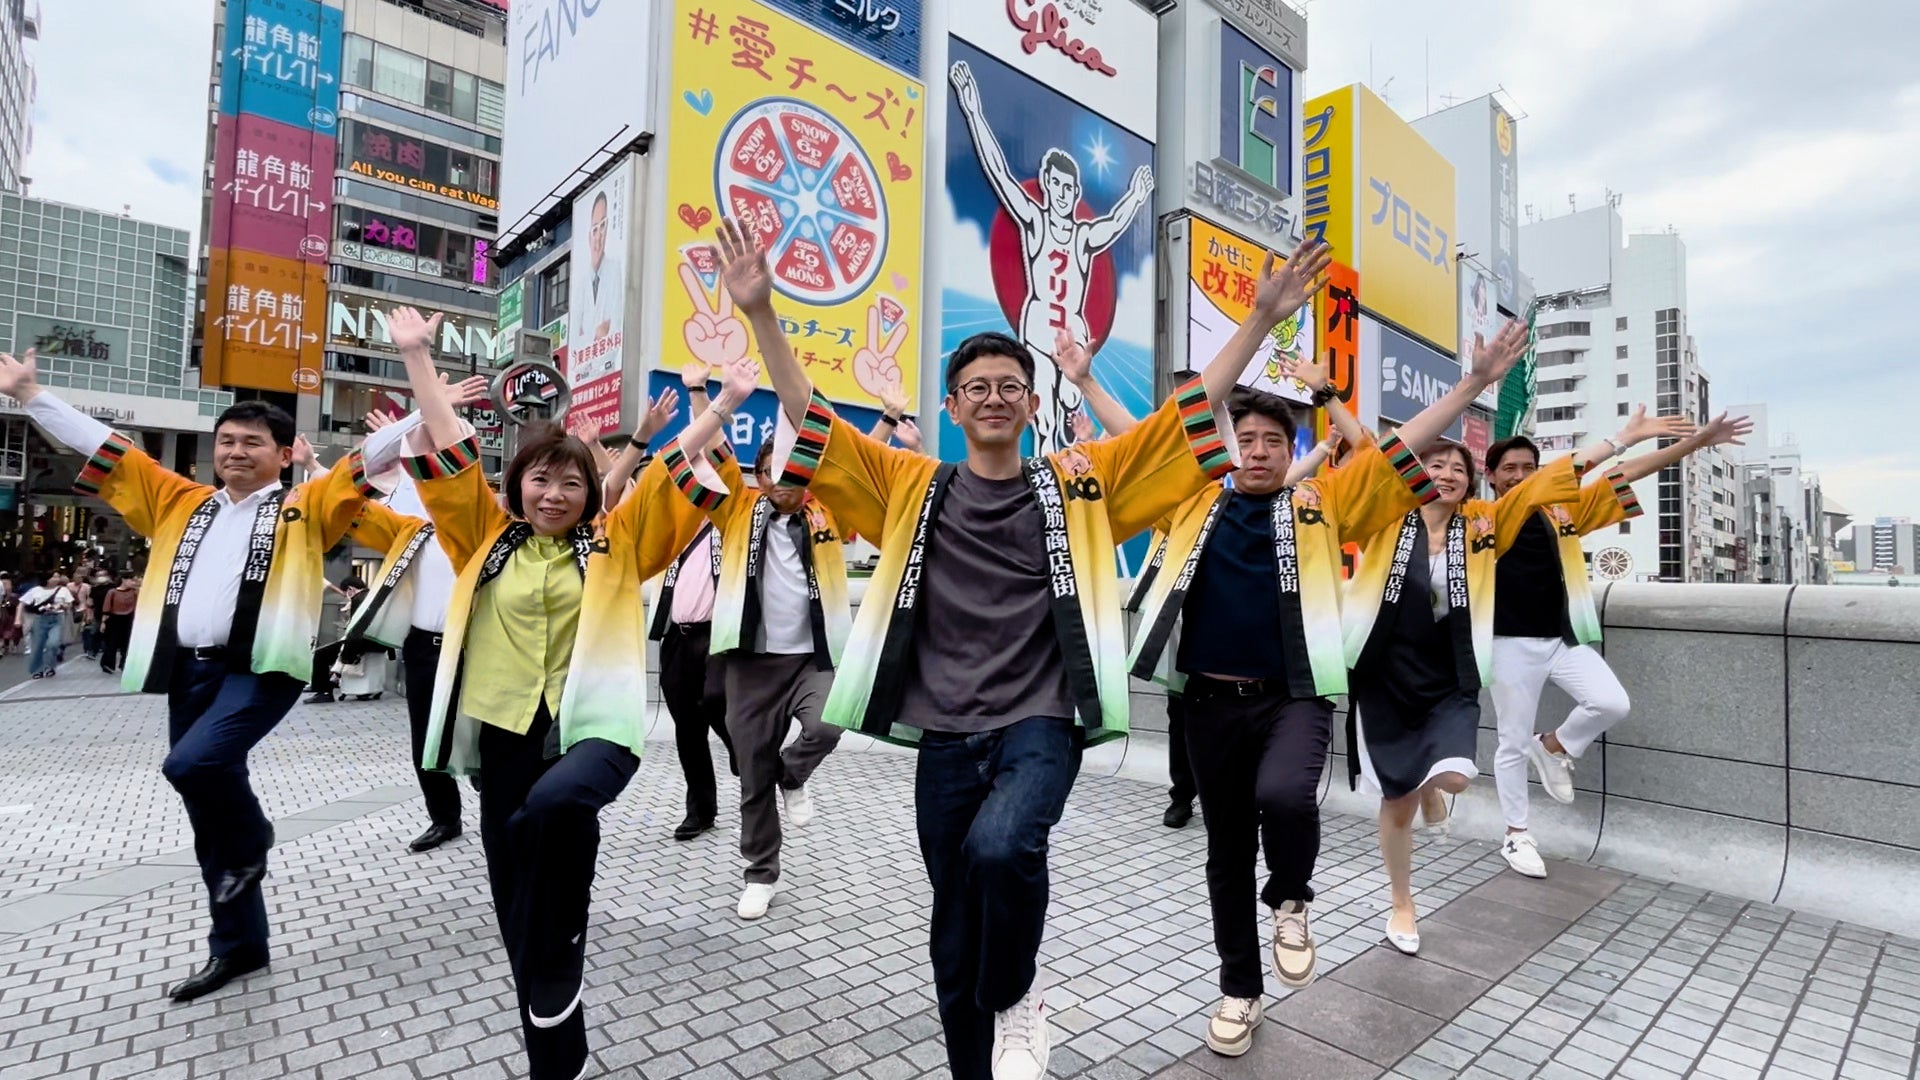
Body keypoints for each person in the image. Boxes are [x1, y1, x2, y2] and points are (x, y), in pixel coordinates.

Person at [712, 215, 1329, 1080]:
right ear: (953, 406)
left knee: (1003, 848)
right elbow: (809, 417)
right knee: (953, 921)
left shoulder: (1080, 481)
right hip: (943, 732)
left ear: (1033, 405)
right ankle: (981, 1050)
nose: (995, 396)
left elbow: (1177, 424)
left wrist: (1260, 320)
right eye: (977, 386)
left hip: (1041, 722)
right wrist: (763, 315)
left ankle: (1020, 997)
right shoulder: (908, 484)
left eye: (1010, 385)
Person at [1122, 334, 1516, 1058]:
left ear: (1292, 446)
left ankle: (1294, 895)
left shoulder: (1321, 501)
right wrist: (1086, 381)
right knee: (1226, 854)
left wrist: (1470, 387)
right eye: (1247, 439)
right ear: (1227, 446)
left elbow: (1398, 451)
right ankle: (1240, 991)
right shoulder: (1192, 502)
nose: (1261, 451)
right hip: (1208, 703)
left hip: (1294, 696)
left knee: (1288, 797)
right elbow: (1135, 447)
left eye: (1275, 439)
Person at [384, 305, 750, 1080]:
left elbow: (666, 479)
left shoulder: (617, 545)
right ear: (517, 485)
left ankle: (564, 942)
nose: (554, 493)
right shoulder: (480, 537)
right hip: (504, 733)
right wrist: (418, 359)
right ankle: (562, 1056)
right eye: (541, 478)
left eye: (572, 481)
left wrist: (717, 406)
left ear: (592, 494)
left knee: (555, 813)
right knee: (516, 901)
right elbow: (449, 450)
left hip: (593, 732)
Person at [0, 347, 380, 1003]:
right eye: (226, 440)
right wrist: (33, 397)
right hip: (190, 673)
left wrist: (419, 398)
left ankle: (256, 839)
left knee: (190, 768)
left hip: (261, 669)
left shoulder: (304, 507)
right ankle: (238, 946)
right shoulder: (182, 501)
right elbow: (113, 448)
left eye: (252, 442)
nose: (235, 451)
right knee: (209, 815)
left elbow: (362, 465)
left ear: (283, 453)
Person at [1342, 411, 1687, 954]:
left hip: (1463, 667)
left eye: (1457, 468)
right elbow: (1372, 453)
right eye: (1435, 465)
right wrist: (1329, 394)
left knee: (1459, 777)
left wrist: (1625, 439)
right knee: (1402, 797)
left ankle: (1471, 774)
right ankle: (1405, 901)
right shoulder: (1389, 518)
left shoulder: (1487, 522)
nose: (1447, 475)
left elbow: (1583, 479)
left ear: (1471, 481)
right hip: (1391, 667)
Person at [1486, 411, 1753, 878]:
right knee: (1510, 741)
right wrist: (1621, 437)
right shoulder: (1484, 518)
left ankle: (1552, 747)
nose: (1521, 476)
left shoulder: (1560, 512)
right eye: (1509, 468)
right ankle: (1516, 833)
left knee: (1611, 702)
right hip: (1507, 643)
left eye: (1529, 467)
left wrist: (1699, 442)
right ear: (1490, 477)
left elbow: (1626, 474)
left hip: (1562, 637)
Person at [679, 434, 850, 920]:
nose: (787, 481)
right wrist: (708, 398)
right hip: (751, 666)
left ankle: (791, 773)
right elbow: (712, 451)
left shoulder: (825, 511)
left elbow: (853, 468)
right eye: (775, 470)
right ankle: (760, 874)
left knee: (827, 725)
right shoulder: (737, 511)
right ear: (760, 476)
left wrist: (887, 418)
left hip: (812, 659)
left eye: (799, 470)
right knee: (752, 777)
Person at [948, 60, 1155, 452]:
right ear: (1045, 184)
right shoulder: (1034, 221)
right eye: (1055, 184)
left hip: (1072, 334)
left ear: (1076, 193)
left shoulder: (1083, 235)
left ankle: (1066, 467)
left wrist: (1137, 196)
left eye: (1068, 187)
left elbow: (1113, 224)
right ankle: (1047, 477)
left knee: (1073, 410)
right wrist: (973, 110)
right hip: (1038, 326)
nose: (1061, 192)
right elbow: (1000, 176)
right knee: (1043, 419)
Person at [649, 363, 738, 842]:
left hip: (716, 636)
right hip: (676, 638)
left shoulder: (729, 517)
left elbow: (710, 447)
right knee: (686, 727)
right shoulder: (674, 531)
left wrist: (700, 393)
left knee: (717, 704)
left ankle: (745, 755)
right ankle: (700, 809)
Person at [302, 576, 368, 704]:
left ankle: (324, 692)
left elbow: (355, 628)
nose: (346, 596)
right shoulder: (369, 596)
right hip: (366, 641)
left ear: (351, 589)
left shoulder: (358, 599)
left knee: (320, 655)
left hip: (357, 643)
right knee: (326, 653)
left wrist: (346, 652)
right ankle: (321, 685)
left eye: (346, 592)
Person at [20, 572, 73, 679]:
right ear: (46, 579)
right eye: (54, 576)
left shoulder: (63, 590)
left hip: (57, 618)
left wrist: (62, 606)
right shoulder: (36, 590)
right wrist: (18, 619)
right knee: (37, 646)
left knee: (52, 644)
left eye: (58, 576)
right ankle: (37, 670)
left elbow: (69, 603)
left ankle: (49, 666)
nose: (57, 578)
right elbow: (22, 603)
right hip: (40, 619)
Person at [100, 572, 138, 674]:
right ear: (124, 580)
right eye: (131, 580)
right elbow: (106, 608)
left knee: (127, 643)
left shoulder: (134, 592)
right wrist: (103, 622)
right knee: (112, 643)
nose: (133, 582)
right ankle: (108, 664)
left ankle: (124, 664)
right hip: (114, 619)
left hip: (129, 619)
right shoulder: (112, 592)